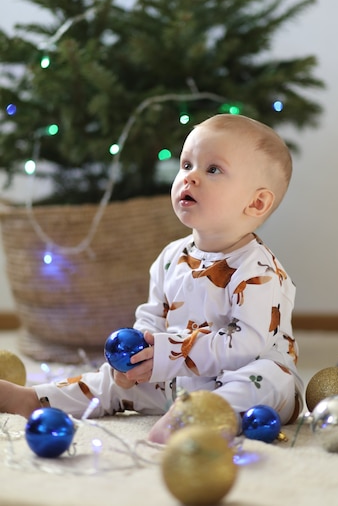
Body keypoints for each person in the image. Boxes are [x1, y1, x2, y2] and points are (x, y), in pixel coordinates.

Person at [0, 114, 303, 443]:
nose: (191, 178)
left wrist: (167, 352)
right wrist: (138, 359)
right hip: (176, 379)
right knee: (111, 383)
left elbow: (246, 345)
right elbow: (152, 317)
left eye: (212, 169)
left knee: (268, 380)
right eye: (186, 165)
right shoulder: (171, 257)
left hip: (243, 375)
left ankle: (198, 417)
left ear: (256, 202)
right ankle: (36, 399)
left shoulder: (258, 270)